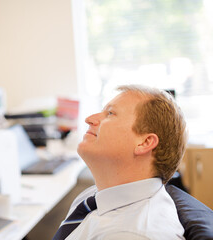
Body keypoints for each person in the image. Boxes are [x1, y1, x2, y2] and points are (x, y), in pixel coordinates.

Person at [53, 85, 187, 240]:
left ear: (144, 142)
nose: (89, 119)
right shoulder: (94, 195)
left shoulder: (132, 235)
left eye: (110, 113)